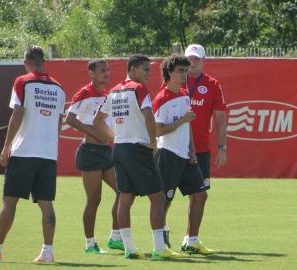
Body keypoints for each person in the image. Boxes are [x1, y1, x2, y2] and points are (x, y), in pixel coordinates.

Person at [93, 54, 184, 260]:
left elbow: (97, 121)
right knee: (158, 197)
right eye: (145, 70)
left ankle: (129, 248)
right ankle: (159, 248)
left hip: (119, 148)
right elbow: (149, 117)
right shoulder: (139, 89)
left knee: (125, 197)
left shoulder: (114, 91)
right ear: (132, 70)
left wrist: (115, 137)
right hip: (137, 149)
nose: (148, 74)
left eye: (149, 70)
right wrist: (153, 144)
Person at [0, 46, 65, 263]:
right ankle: (47, 253)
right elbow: (57, 123)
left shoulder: (23, 81)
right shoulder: (58, 87)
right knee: (46, 203)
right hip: (48, 154)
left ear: (26, 61)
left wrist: (6, 146)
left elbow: (18, 114)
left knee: (9, 201)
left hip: (24, 151)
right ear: (43, 61)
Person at [163, 44, 227, 252]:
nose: (192, 63)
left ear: (204, 61)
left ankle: (191, 240)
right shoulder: (174, 81)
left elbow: (220, 116)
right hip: (173, 148)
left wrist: (222, 146)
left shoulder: (211, 84)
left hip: (200, 149)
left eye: (197, 59)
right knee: (165, 196)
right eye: (189, 59)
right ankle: (160, 233)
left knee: (199, 195)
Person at [153, 55, 214, 255]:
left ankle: (192, 241)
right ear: (170, 72)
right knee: (164, 200)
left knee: (201, 195)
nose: (184, 74)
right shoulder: (161, 98)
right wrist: (183, 120)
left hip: (185, 154)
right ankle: (160, 241)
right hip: (168, 154)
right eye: (181, 71)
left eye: (186, 71)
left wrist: (192, 148)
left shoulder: (184, 94)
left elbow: (187, 125)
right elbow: (158, 131)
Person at [65, 59, 123, 254]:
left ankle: (115, 237)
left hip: (107, 152)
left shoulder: (108, 95)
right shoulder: (84, 93)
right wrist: (91, 131)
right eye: (102, 71)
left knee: (123, 190)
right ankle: (90, 244)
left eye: (107, 70)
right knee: (94, 199)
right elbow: (70, 119)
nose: (106, 74)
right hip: (89, 152)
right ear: (91, 74)